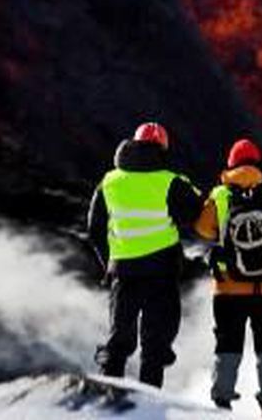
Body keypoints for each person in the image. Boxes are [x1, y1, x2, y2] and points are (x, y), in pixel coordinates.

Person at [87, 121, 203, 388]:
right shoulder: (170, 182)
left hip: (123, 273)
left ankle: (107, 398)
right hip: (161, 273)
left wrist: (110, 263)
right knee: (155, 343)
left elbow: (94, 229)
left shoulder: (109, 182)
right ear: (162, 149)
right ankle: (148, 404)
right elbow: (196, 213)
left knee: (119, 338)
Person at [195, 138, 262, 418]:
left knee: (228, 346)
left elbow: (203, 229)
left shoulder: (220, 195)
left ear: (230, 164)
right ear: (257, 163)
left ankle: (222, 402)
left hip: (229, 289)